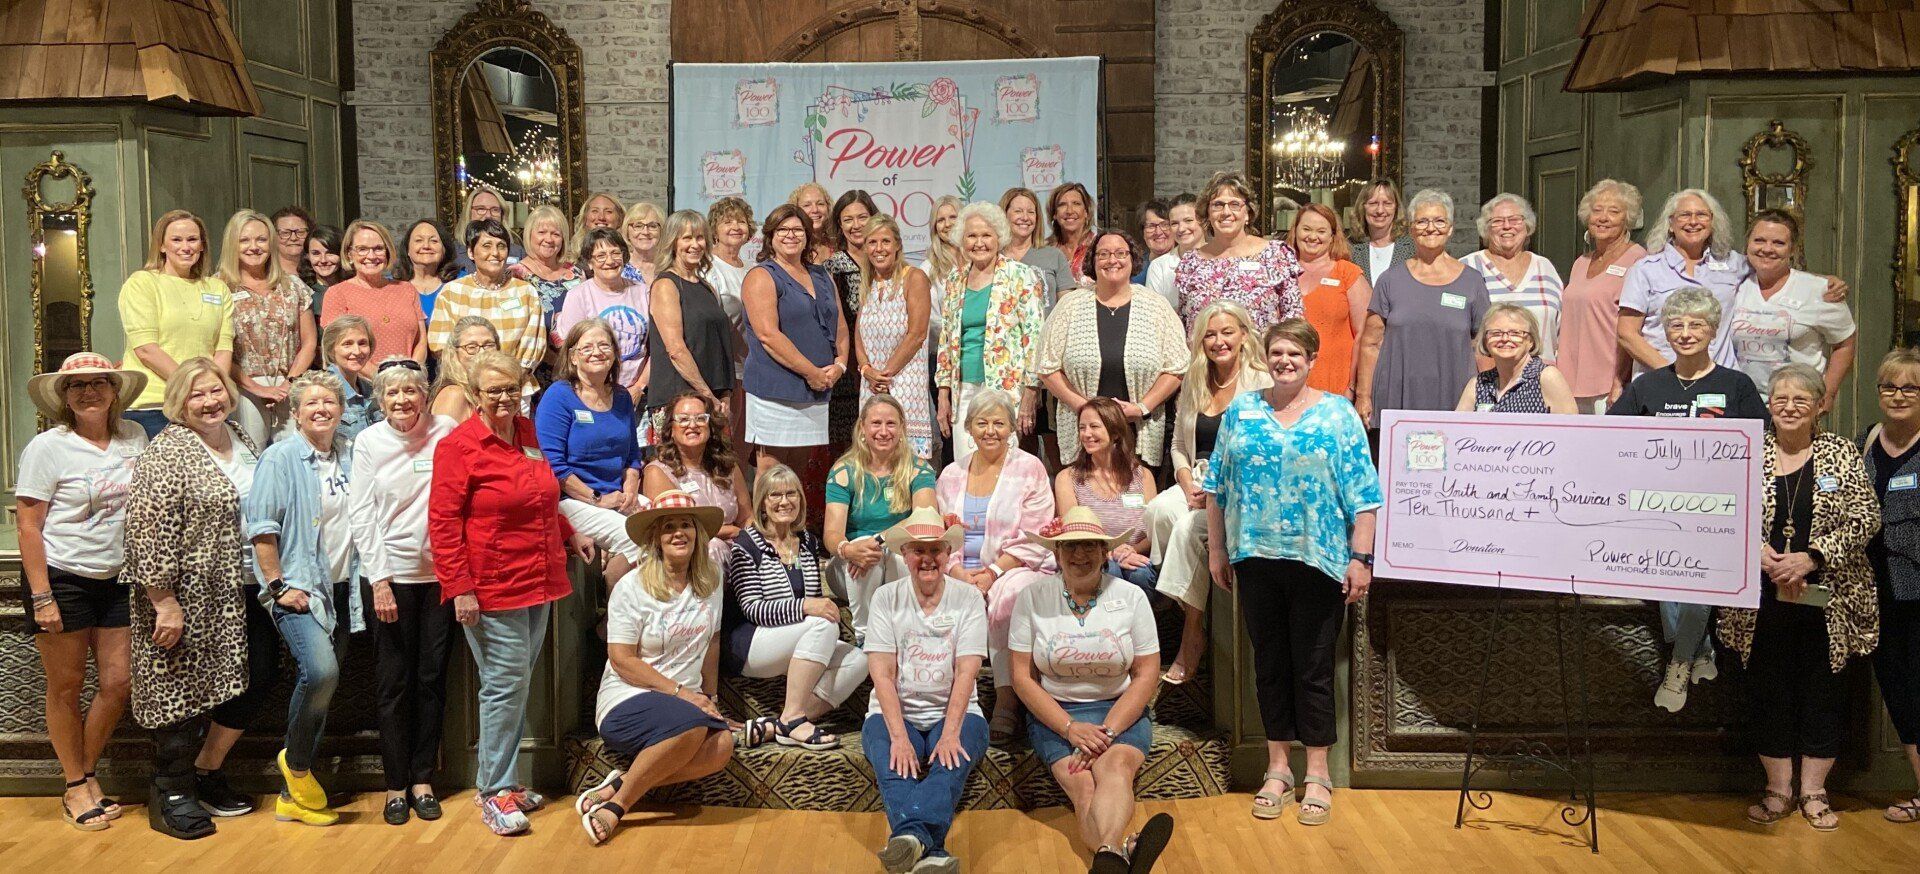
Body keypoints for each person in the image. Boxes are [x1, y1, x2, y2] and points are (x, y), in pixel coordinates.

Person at [1207, 319, 1381, 827]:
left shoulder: (1338, 414)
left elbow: (1365, 495)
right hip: (1254, 556)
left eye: (1295, 354)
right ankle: (1278, 768)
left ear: (1311, 359)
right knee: (1269, 665)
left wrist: (1361, 558)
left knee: (1313, 667)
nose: (1285, 361)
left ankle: (1319, 773)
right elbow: (1217, 487)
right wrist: (1217, 549)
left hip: (1319, 559)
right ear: (1266, 357)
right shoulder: (1242, 410)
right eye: (1277, 352)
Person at [429, 351, 594, 835]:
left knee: (517, 683)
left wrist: (568, 532)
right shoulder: (459, 446)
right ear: (474, 395)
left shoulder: (527, 432)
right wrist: (460, 588)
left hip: (540, 576)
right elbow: (443, 524)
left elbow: (540, 499)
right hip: (491, 586)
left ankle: (505, 781)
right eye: (494, 390)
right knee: (504, 685)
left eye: (512, 389)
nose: (504, 398)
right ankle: (493, 791)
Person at [1719, 364, 1879, 832]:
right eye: (1781, 399)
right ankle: (1778, 790)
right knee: (1768, 690)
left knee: (1822, 691)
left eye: (1800, 400)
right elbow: (1722, 510)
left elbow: (1867, 516)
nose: (1789, 408)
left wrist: (1812, 557)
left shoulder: (1840, 453)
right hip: (1760, 597)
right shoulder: (1748, 450)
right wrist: (1757, 553)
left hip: (1828, 598)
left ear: (1819, 406)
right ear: (1769, 404)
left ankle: (1814, 791)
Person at [122, 359, 264, 839]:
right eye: (196, 395)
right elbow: (146, 531)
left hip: (243, 587)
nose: (209, 402)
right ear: (178, 402)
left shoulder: (239, 437)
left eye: (215, 391)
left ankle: (205, 773)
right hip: (186, 595)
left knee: (254, 678)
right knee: (180, 692)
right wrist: (164, 602)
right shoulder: (167, 451)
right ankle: (171, 791)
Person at [1609, 288, 1766, 711]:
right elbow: (1609, 439)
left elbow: (1762, 445)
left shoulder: (1736, 385)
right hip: (1656, 507)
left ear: (1713, 331)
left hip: (1718, 508)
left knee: (1699, 571)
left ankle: (1678, 662)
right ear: (1665, 332)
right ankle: (1699, 650)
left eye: (1696, 324)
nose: (1686, 332)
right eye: (1676, 325)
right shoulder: (1646, 385)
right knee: (1666, 570)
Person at [18, 353, 148, 831]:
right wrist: (42, 596)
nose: (88, 392)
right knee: (66, 685)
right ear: (64, 396)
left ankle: (86, 772)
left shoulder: (135, 436)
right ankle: (75, 785)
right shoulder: (47, 447)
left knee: (118, 682)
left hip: (119, 578)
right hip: (63, 578)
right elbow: (28, 526)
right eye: (77, 386)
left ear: (115, 390)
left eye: (98, 383)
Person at [1010, 505, 1175, 874]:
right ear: (1057, 553)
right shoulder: (1032, 598)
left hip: (1121, 710)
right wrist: (1070, 728)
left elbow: (1147, 673)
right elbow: (1022, 678)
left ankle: (1108, 856)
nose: (1080, 554)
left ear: (1104, 552)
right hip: (1056, 714)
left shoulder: (1131, 597)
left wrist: (1108, 732)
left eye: (1089, 546)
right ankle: (1122, 848)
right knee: (1083, 787)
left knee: (1115, 768)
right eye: (1070, 546)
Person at [577, 490, 735, 846]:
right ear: (655, 539)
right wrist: (685, 696)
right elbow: (622, 660)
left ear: (697, 533)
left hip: (685, 704)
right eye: (668, 527)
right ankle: (619, 805)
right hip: (628, 697)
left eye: (686, 525)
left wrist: (710, 697)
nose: (679, 533)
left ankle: (622, 782)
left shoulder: (711, 579)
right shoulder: (631, 587)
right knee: (693, 724)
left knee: (723, 746)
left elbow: (712, 642)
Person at [243, 370, 362, 828]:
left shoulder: (351, 453)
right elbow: (262, 529)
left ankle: (291, 795)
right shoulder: (279, 458)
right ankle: (295, 765)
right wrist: (278, 586)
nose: (321, 409)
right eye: (311, 403)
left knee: (324, 688)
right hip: (298, 590)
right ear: (295, 413)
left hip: (343, 589)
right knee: (321, 671)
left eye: (329, 402)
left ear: (342, 410)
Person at [347, 357, 457, 825]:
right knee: (393, 684)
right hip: (390, 578)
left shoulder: (446, 431)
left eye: (410, 390)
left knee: (432, 680)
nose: (402, 400)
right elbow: (361, 513)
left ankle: (422, 779)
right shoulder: (369, 441)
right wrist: (380, 580)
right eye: (392, 393)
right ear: (380, 400)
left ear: (424, 395)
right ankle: (395, 785)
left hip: (440, 579)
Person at [1143, 302, 1271, 684]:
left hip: (1238, 486)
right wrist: (1186, 482)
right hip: (1195, 478)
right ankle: (1188, 603)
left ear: (1244, 335)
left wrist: (1215, 487)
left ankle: (1191, 632)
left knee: (1187, 530)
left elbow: (1262, 448)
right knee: (1157, 511)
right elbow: (1179, 445)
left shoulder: (1262, 382)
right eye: (1210, 335)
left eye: (1227, 332)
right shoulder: (1195, 379)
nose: (1219, 342)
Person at [861, 507, 989, 874]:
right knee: (894, 766)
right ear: (904, 555)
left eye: (936, 549)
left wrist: (950, 732)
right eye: (918, 550)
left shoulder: (968, 598)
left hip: (959, 713)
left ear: (949, 553)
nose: (928, 558)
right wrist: (899, 737)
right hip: (891, 713)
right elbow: (882, 673)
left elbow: (967, 671)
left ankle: (910, 837)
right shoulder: (885, 597)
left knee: (949, 764)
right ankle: (932, 854)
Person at [1619, 188, 1846, 378]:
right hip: (1662, 380)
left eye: (1701, 215)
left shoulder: (1731, 264)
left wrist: (1821, 281)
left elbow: (1769, 262)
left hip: (1718, 384)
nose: (1693, 221)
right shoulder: (1645, 269)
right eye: (1685, 215)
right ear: (1670, 223)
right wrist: (1673, 374)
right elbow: (1627, 334)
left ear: (1712, 222)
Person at [936, 389, 1057, 742]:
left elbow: (1035, 534)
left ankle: (1007, 699)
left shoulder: (1029, 468)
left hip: (1017, 566)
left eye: (999, 423)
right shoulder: (951, 474)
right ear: (969, 429)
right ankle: (947, 701)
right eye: (982, 423)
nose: (990, 431)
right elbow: (942, 533)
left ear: (1011, 428)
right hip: (959, 570)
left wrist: (992, 573)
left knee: (1007, 596)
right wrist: (957, 571)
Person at [724, 464, 870, 751]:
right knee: (824, 624)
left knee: (859, 659)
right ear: (762, 503)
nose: (784, 501)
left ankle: (781, 724)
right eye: (775, 495)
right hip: (750, 644)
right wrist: (805, 606)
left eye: (791, 494)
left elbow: (815, 600)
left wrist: (812, 607)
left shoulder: (807, 542)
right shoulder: (746, 544)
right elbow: (752, 609)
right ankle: (793, 718)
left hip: (794, 637)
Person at [1039, 230, 1189, 467]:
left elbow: (1177, 366)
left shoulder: (1156, 307)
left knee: (1138, 490)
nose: (1112, 260)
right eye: (1103, 254)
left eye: (1120, 253)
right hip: (1083, 432)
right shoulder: (1070, 306)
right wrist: (1084, 408)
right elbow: (1046, 366)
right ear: (1092, 261)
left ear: (1132, 259)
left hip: (1138, 430)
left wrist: (1142, 408)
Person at [1355, 189, 1490, 426]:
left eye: (1439, 221)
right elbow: (1371, 343)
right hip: (1397, 397)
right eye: (1422, 221)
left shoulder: (1472, 281)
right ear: (1411, 229)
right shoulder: (1390, 280)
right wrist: (1363, 396)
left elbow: (1483, 346)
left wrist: (1488, 397)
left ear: (1450, 228)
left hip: (1456, 397)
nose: (1430, 228)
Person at [741, 204, 849, 476]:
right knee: (772, 471)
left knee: (798, 472)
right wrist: (811, 372)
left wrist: (840, 365)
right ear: (771, 236)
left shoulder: (822, 275)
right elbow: (768, 335)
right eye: (783, 229)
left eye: (798, 229)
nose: (791, 235)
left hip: (815, 390)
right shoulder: (761, 276)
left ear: (807, 235)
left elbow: (840, 326)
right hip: (774, 391)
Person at [934, 202, 1046, 459]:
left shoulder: (1020, 275)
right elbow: (946, 339)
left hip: (1006, 387)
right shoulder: (955, 279)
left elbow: (1035, 337)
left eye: (986, 235)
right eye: (971, 236)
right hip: (963, 388)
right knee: (966, 462)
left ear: (999, 237)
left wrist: (1031, 392)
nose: (979, 243)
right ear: (962, 240)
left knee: (1004, 463)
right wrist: (943, 394)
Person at [536, 319, 645, 578]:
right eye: (587, 347)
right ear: (573, 357)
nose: (597, 352)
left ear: (615, 354)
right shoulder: (559, 396)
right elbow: (553, 467)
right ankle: (612, 601)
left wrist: (630, 491)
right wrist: (598, 499)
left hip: (617, 497)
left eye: (604, 345)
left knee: (669, 527)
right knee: (637, 539)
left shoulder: (622, 397)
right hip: (571, 500)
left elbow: (632, 456)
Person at [1861, 349, 1920, 824]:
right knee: (1900, 690)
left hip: (1918, 588)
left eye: (1910, 388)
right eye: (1889, 387)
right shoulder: (1865, 441)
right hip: (1874, 591)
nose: (1897, 396)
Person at [826, 395, 939, 642]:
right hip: (849, 566)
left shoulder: (919, 469)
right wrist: (849, 550)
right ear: (862, 428)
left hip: (897, 556)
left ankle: (905, 633)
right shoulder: (843, 471)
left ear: (902, 429)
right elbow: (831, 535)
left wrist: (878, 541)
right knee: (868, 555)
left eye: (891, 424)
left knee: (899, 553)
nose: (884, 432)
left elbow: (925, 517)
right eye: (876, 423)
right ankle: (865, 637)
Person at [119, 210, 234, 438]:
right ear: (162, 246)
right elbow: (146, 350)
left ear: (202, 245)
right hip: (155, 406)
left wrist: (210, 394)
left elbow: (223, 348)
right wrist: (192, 388)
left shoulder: (218, 288)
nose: (186, 247)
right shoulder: (142, 283)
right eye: (177, 240)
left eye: (192, 239)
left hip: (207, 406)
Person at [1728, 210, 1856, 404]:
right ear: (1747, 244)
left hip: (1796, 405)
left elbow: (1845, 343)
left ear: (1793, 249)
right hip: (1740, 403)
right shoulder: (1732, 284)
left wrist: (1828, 393)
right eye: (1759, 240)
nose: (1767, 249)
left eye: (1778, 243)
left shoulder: (1820, 291)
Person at [219, 209, 317, 447]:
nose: (254, 247)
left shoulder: (293, 285)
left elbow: (309, 342)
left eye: (261, 240)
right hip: (242, 387)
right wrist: (255, 388)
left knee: (296, 453)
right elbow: (217, 348)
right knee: (250, 455)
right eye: (244, 240)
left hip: (289, 385)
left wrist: (288, 384)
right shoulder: (219, 287)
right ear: (233, 244)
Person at [1173, 172, 1303, 333]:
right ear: (1207, 213)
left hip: (1259, 349)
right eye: (1218, 205)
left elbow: (1293, 318)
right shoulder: (1191, 263)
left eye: (1234, 204)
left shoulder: (1275, 255)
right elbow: (1184, 322)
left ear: (1247, 213)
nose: (1226, 212)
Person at [1558, 180, 1645, 413]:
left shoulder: (1638, 261)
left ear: (1628, 219)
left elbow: (1635, 328)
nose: (1603, 218)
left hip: (1608, 383)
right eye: (1597, 210)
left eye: (1614, 211)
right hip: (1569, 381)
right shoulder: (1580, 263)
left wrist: (1619, 381)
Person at [1055, 398, 1159, 592]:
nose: (1086, 434)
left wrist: (1131, 550)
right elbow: (1074, 531)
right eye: (1082, 428)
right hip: (1090, 557)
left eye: (1094, 426)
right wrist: (1110, 552)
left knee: (1141, 574)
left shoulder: (1143, 476)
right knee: (1111, 572)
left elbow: (1154, 531)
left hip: (1134, 554)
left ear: (1115, 432)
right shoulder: (1067, 478)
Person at [855, 215, 936, 458]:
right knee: (873, 458)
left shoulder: (914, 277)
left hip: (904, 384)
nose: (879, 249)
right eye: (872, 242)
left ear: (898, 244)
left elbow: (917, 334)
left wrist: (885, 375)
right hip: (871, 385)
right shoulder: (867, 282)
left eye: (885, 241)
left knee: (906, 459)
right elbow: (859, 333)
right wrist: (867, 370)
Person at [427, 219, 546, 382]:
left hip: (514, 385)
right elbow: (440, 346)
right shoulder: (451, 292)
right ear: (471, 252)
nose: (495, 253)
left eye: (501, 246)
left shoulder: (526, 292)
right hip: (464, 385)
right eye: (486, 246)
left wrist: (504, 381)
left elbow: (533, 345)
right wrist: (475, 383)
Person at [642, 391, 750, 568]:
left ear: (710, 426)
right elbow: (674, 529)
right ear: (671, 429)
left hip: (737, 550)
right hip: (691, 556)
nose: (692, 425)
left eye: (700, 418)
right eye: (683, 419)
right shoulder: (658, 472)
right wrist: (730, 531)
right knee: (713, 548)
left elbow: (747, 518)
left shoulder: (728, 466)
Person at [651, 210, 736, 414]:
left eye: (699, 237)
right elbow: (676, 350)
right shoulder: (666, 285)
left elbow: (719, 347)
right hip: (678, 400)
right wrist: (707, 396)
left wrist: (724, 395)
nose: (695, 244)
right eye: (687, 238)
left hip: (712, 398)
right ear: (672, 242)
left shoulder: (707, 287)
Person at [1460, 194, 1565, 361]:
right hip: (1486, 374)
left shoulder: (1545, 267)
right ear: (1486, 229)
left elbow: (1562, 330)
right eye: (1497, 221)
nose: (1507, 226)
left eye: (1515, 220)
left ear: (1527, 226)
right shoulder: (1467, 268)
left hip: (1543, 373)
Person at [555, 227, 649, 401]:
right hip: (592, 393)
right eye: (601, 255)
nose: (610, 261)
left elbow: (657, 348)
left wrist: (638, 387)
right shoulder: (578, 296)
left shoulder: (644, 292)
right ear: (589, 262)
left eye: (615, 253)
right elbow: (572, 352)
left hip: (638, 391)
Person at [1288, 204, 1371, 398]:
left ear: (1332, 236)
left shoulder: (1347, 273)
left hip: (1336, 390)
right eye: (1306, 229)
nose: (1312, 236)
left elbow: (1365, 336)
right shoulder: (1281, 272)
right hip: (1286, 389)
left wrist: (1354, 387)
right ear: (1295, 231)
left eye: (1321, 231)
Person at [322, 219, 427, 364]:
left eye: (378, 248)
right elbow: (336, 348)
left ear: (387, 252)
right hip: (359, 378)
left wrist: (410, 372)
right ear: (349, 254)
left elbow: (421, 341)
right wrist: (380, 376)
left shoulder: (407, 289)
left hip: (407, 376)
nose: (371, 256)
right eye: (362, 249)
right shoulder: (337, 293)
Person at [1454, 305, 1577, 414]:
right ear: (1485, 341)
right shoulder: (1478, 384)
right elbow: (1457, 428)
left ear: (1531, 341)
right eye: (1496, 333)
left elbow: (1569, 428)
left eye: (1515, 333)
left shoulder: (1546, 377)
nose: (1505, 339)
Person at [513, 205, 585, 373]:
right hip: (535, 369)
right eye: (542, 232)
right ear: (529, 235)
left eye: (556, 234)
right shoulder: (517, 275)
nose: (549, 239)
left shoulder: (576, 274)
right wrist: (557, 362)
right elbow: (517, 330)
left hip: (577, 368)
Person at [1001, 187, 1072, 305]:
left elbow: (1068, 306)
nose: (1025, 217)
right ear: (1004, 215)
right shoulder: (993, 258)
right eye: (1018, 211)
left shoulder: (1054, 256)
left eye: (1031, 212)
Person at [319, 315, 383, 441]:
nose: (357, 351)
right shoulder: (322, 390)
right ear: (331, 349)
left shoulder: (371, 390)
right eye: (347, 344)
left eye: (362, 343)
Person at [430, 315, 500, 422]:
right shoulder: (454, 395)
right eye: (471, 347)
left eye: (489, 345)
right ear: (455, 353)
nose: (482, 352)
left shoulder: (501, 392)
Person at [705, 196, 755, 338]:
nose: (736, 227)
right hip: (720, 348)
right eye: (727, 222)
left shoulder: (752, 269)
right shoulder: (706, 267)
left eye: (741, 221)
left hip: (750, 350)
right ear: (714, 231)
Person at [1144, 195, 1203, 309]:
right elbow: (1154, 313)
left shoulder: (1221, 259)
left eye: (1188, 220)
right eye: (1174, 223)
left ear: (1203, 220)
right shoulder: (1159, 267)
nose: (1181, 229)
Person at [448, 185, 524, 274]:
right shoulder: (452, 253)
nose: (488, 215)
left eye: (495, 210)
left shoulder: (517, 252)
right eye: (481, 209)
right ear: (469, 212)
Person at [1351, 178, 1414, 285]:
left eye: (1387, 203)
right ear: (1362, 207)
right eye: (1373, 203)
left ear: (1396, 208)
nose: (1380, 210)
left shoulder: (1412, 249)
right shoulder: (1350, 248)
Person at [399, 219, 459, 324]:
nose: (426, 246)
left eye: (434, 241)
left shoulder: (460, 283)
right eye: (419, 240)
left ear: (444, 249)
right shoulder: (392, 286)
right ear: (407, 249)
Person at [1047, 182, 1098, 287]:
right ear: (1054, 214)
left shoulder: (1099, 246)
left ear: (1086, 212)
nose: (1069, 211)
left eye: (1076, 204)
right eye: (1062, 204)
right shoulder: (1045, 250)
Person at [921, 195, 965, 287]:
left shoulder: (978, 257)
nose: (947, 224)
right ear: (935, 227)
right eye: (941, 220)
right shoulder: (928, 268)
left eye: (953, 217)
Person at [301, 225, 347, 314]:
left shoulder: (354, 289)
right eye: (316, 253)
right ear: (307, 256)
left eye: (330, 253)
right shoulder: (303, 293)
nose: (323, 260)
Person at [620, 201, 666, 288]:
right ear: (627, 231)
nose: (645, 232)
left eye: (652, 226)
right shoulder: (618, 265)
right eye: (638, 226)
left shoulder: (668, 265)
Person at [789, 181, 835, 264]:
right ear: (796, 210)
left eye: (820, 204)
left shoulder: (838, 245)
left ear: (828, 208)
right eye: (807, 205)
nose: (815, 210)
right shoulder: (789, 246)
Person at [1135, 199, 1175, 285]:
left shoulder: (1186, 265)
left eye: (1165, 224)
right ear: (1143, 232)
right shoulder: (1134, 268)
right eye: (1151, 226)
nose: (1158, 232)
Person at [271, 206, 314, 280]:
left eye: (300, 232)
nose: (293, 238)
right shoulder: (265, 274)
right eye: (285, 233)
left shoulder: (319, 271)